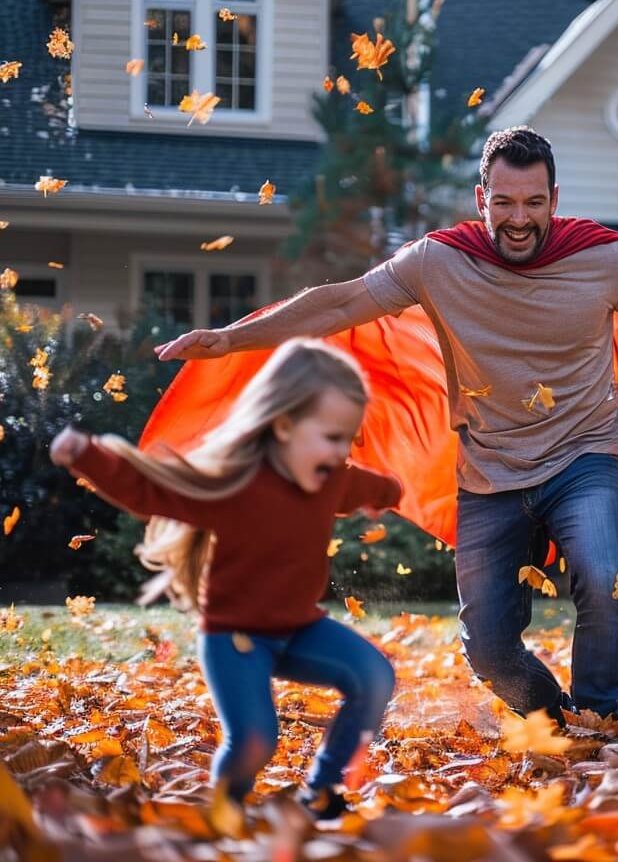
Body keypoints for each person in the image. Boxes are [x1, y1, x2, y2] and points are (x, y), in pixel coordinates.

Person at [153, 126, 618, 722]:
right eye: (504, 203)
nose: (519, 219)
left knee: (608, 584)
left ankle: (599, 719)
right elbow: (342, 302)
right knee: (488, 650)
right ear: (482, 202)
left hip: (584, 456)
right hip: (490, 471)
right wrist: (230, 339)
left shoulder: (605, 260)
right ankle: (556, 721)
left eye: (533, 203)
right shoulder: (439, 261)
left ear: (555, 201)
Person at [49, 339, 402, 818]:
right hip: (235, 638)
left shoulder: (331, 478)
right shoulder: (232, 485)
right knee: (257, 738)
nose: (342, 452)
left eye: (348, 439)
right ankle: (227, 808)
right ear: (283, 425)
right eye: (333, 437)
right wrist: (87, 456)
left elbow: (366, 484)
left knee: (375, 677)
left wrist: (389, 489)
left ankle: (322, 791)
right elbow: (148, 490)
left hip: (300, 631)